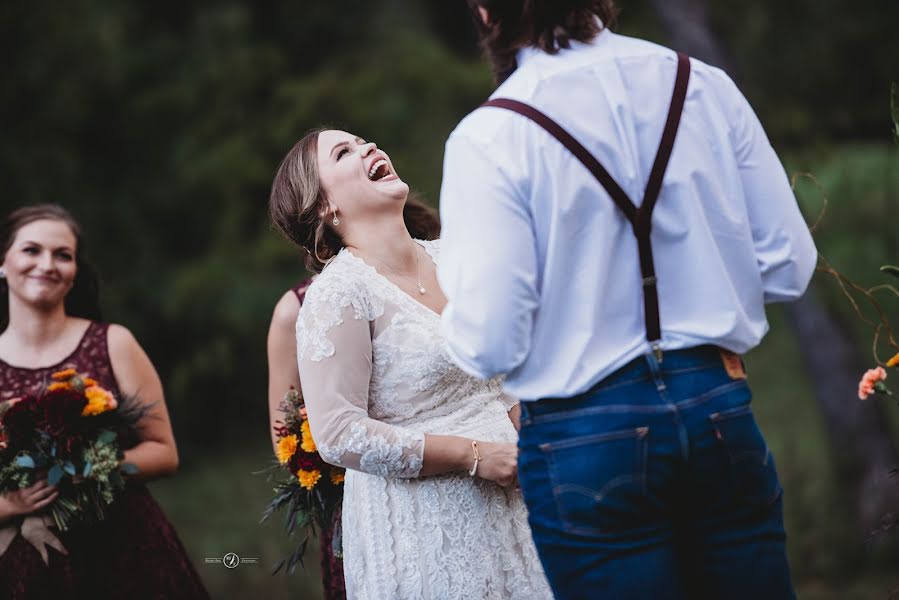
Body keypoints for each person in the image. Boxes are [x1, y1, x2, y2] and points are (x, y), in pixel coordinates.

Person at [437, 2, 817, 599]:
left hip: (583, 431)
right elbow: (789, 267)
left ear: (487, 12)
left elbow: (490, 343)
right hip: (715, 400)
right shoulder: (702, 85)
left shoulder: (490, 135)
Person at [268, 128, 552, 600]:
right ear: (324, 207)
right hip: (430, 521)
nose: (369, 148)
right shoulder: (339, 294)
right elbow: (339, 434)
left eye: (364, 142)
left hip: (525, 491)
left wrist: (535, 435)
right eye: (344, 153)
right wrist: (475, 456)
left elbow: (505, 376)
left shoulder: (455, 259)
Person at [0, 204, 209, 599]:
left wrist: (87, 470)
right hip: (25, 570)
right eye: (31, 250)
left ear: (75, 271)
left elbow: (164, 453)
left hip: (124, 552)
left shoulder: (113, 342)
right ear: (3, 261)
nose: (47, 264)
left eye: (63, 255)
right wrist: (10, 503)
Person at [266, 196, 442, 600]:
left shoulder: (435, 271)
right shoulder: (295, 310)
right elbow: (284, 431)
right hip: (361, 489)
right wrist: (331, 452)